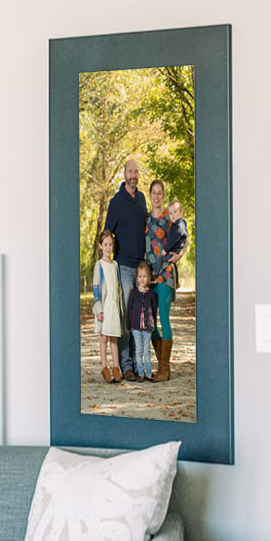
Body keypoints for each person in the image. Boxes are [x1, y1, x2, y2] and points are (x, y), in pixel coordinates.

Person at [104, 160, 147, 381]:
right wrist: (106, 265)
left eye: (136, 172)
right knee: (126, 318)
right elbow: (107, 233)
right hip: (123, 266)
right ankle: (126, 365)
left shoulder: (141, 199)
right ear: (124, 174)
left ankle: (139, 364)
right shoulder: (116, 202)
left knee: (139, 319)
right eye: (130, 171)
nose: (133, 175)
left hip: (141, 268)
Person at [144, 179, 182, 381]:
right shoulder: (145, 218)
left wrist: (180, 254)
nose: (157, 196)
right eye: (154, 192)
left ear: (163, 195)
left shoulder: (170, 218)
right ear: (149, 194)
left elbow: (184, 237)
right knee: (149, 323)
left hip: (166, 273)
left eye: (160, 193)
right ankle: (161, 363)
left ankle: (164, 369)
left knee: (164, 319)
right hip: (149, 276)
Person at [92, 229, 123, 383]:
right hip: (104, 306)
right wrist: (99, 309)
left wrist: (120, 308)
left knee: (113, 337)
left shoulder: (115, 265)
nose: (108, 247)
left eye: (110, 244)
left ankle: (116, 367)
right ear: (100, 246)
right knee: (104, 337)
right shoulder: (100, 265)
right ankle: (105, 368)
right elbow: (96, 288)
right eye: (105, 244)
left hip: (114, 307)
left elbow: (118, 288)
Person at [128, 261, 158, 383]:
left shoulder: (151, 294)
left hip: (147, 328)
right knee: (138, 350)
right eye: (140, 276)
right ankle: (140, 373)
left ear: (149, 277)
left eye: (144, 276)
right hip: (136, 327)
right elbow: (130, 309)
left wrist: (153, 324)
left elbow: (154, 310)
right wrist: (130, 325)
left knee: (147, 350)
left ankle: (149, 373)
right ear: (136, 278)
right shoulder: (133, 293)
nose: (142, 279)